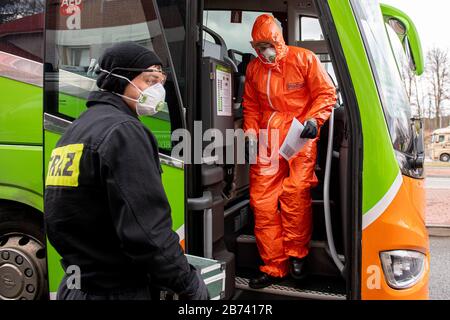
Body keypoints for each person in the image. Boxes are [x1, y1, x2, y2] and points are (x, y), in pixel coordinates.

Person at [45, 42, 208, 300]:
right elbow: (147, 233)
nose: (157, 90)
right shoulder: (123, 131)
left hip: (77, 286)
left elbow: (58, 221)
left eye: (160, 81)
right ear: (119, 80)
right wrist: (187, 282)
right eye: (149, 80)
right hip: (117, 290)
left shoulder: (74, 131)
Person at [243, 15, 337, 289]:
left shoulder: (303, 59)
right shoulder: (254, 69)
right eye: (258, 46)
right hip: (267, 139)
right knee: (262, 203)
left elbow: (326, 94)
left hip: (299, 136)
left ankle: (297, 256)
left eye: (267, 44)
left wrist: (313, 120)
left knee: (295, 194)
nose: (263, 51)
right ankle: (274, 266)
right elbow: (251, 104)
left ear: (277, 40)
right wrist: (249, 131)